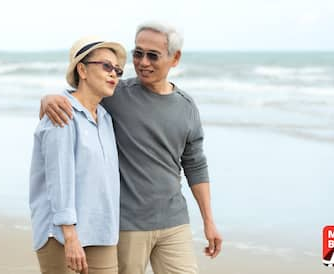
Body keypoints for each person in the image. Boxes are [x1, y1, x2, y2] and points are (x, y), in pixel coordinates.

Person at [40, 21, 222, 274]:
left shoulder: (186, 106)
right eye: (138, 53)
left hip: (174, 222)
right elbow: (79, 96)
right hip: (126, 225)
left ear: (175, 58)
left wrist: (209, 221)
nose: (143, 62)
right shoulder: (115, 93)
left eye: (152, 55)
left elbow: (195, 164)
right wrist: (48, 99)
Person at [30, 36, 126, 274]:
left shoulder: (105, 119)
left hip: (102, 233)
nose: (113, 73)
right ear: (82, 69)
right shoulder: (61, 114)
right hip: (62, 238)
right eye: (106, 66)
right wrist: (70, 236)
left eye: (118, 70)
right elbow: (59, 180)